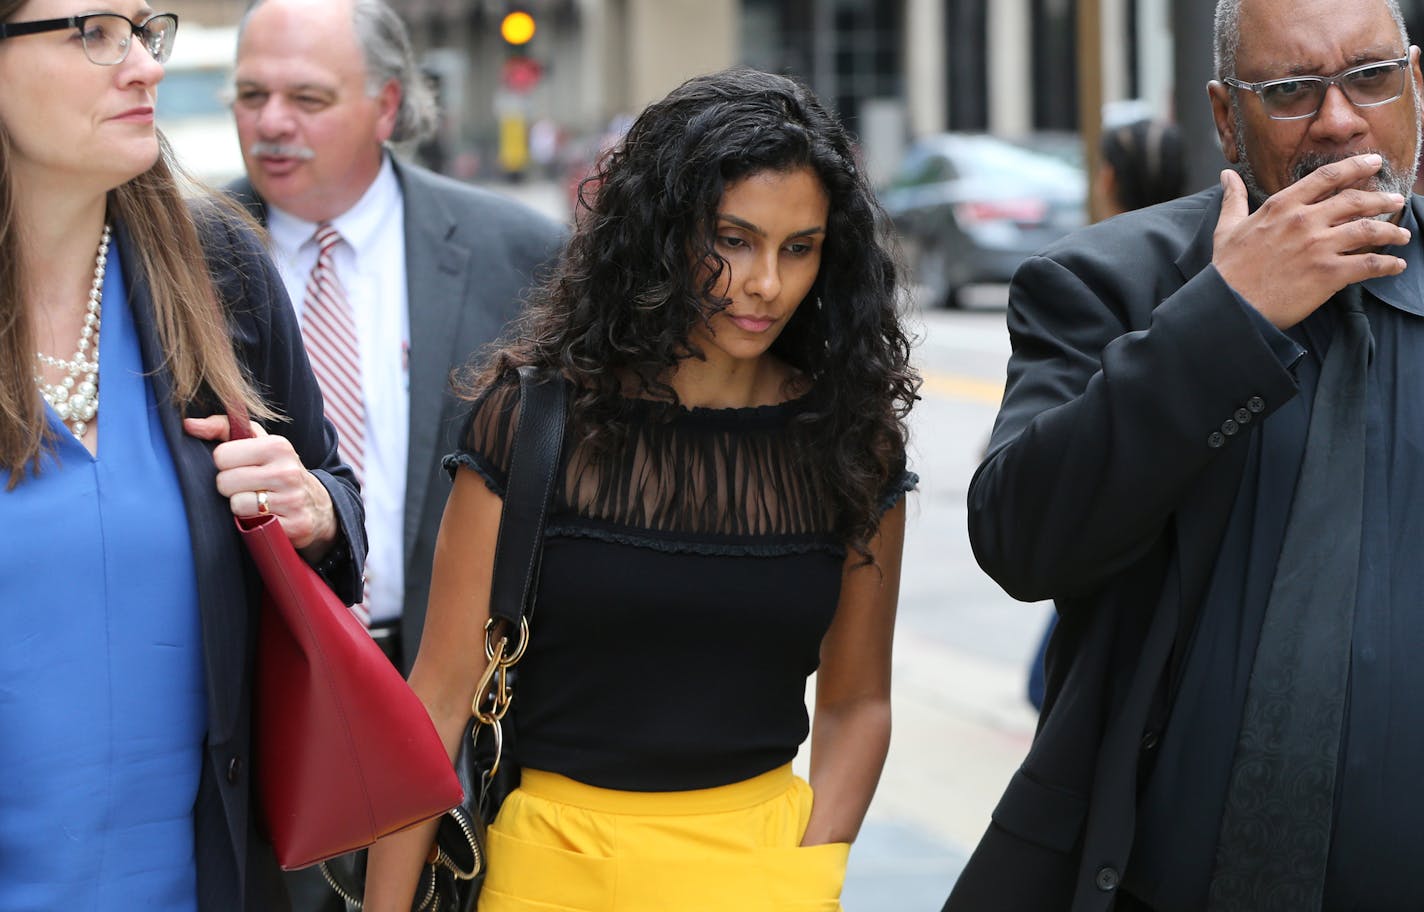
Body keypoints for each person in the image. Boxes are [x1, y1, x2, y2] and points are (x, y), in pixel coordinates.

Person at [362, 66, 919, 912]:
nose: (767, 282)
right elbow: (436, 703)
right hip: (550, 875)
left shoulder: (851, 443)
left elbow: (856, 703)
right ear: (660, 234)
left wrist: (810, 872)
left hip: (765, 879)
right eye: (733, 240)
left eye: (798, 248)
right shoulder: (536, 420)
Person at [948, 0, 1424, 909]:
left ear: (1417, 84)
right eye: (1290, 89)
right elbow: (1022, 540)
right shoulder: (1106, 284)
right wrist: (1226, 317)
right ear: (1223, 115)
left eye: (1371, 77)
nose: (1339, 118)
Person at [0, 1, 366, 910]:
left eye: (143, 31)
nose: (144, 68)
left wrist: (314, 510)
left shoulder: (218, 268)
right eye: (94, 33)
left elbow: (337, 503)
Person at [227, 0, 565, 671]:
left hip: (468, 677)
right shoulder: (179, 260)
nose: (271, 122)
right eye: (251, 94)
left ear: (386, 105)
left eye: (307, 98)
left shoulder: (519, 255)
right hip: (261, 679)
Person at [1026, 117, 1188, 712]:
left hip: (1116, 538)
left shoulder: (1089, 272)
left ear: (1111, 177)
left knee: (1053, 684)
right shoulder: (1201, 261)